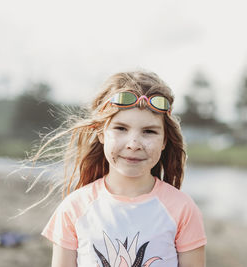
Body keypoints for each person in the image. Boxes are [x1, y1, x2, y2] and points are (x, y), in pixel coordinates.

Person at [36, 71, 207, 267]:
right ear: (101, 133)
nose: (133, 144)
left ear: (164, 141)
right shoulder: (74, 208)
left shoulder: (183, 210)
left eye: (149, 131)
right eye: (120, 128)